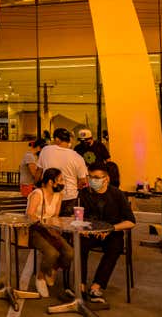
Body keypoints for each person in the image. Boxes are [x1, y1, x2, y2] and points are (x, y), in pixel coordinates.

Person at [79, 162, 136, 304]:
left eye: (97, 177)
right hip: (90, 233)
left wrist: (111, 229)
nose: (93, 180)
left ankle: (96, 286)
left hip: (112, 234)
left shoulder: (117, 195)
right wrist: (82, 228)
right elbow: (78, 216)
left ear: (106, 178)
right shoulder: (84, 194)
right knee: (79, 244)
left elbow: (131, 221)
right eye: (90, 177)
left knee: (115, 248)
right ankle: (80, 285)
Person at [25, 168, 73, 298]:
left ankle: (52, 269)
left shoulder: (58, 195)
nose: (63, 182)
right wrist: (45, 226)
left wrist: (56, 228)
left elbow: (56, 216)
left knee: (69, 252)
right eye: (61, 180)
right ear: (51, 182)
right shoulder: (38, 194)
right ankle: (40, 278)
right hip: (35, 230)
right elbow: (30, 215)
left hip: (50, 230)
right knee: (52, 253)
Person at [37, 128, 88, 216]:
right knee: (67, 225)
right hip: (70, 197)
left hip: (49, 194)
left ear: (57, 139)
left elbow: (38, 172)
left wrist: (37, 184)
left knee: (49, 222)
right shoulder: (77, 157)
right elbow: (83, 181)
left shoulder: (46, 150)